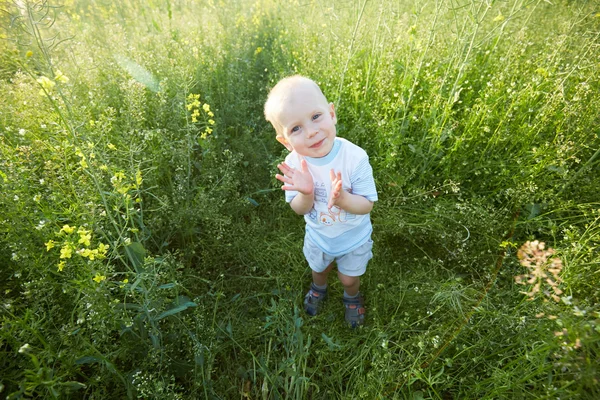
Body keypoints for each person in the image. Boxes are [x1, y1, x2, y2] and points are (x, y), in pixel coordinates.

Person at [264, 75, 378, 327]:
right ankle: (319, 287)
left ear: (332, 114)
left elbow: (367, 204)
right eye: (296, 128)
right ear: (285, 142)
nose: (312, 131)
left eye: (316, 117)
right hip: (318, 236)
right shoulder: (294, 165)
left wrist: (343, 199)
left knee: (349, 278)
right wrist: (306, 193)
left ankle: (352, 296)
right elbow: (298, 209)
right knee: (319, 270)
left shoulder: (355, 157)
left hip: (353, 237)